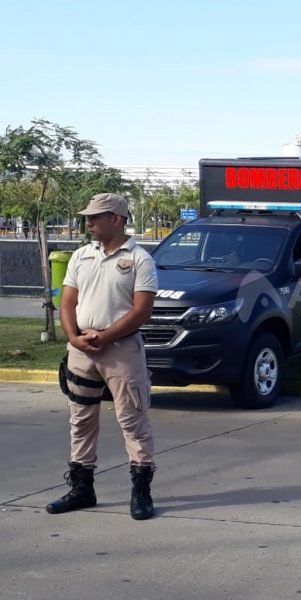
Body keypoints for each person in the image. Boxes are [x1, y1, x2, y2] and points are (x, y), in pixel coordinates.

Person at [46, 193, 159, 520]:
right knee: (80, 421)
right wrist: (74, 338)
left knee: (133, 421)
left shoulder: (140, 259)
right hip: (81, 350)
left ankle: (141, 492)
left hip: (121, 350)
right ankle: (82, 489)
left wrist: (105, 336)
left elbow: (142, 310)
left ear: (118, 219)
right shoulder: (81, 256)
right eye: (88, 217)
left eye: (96, 217)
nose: (88, 223)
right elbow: (67, 303)